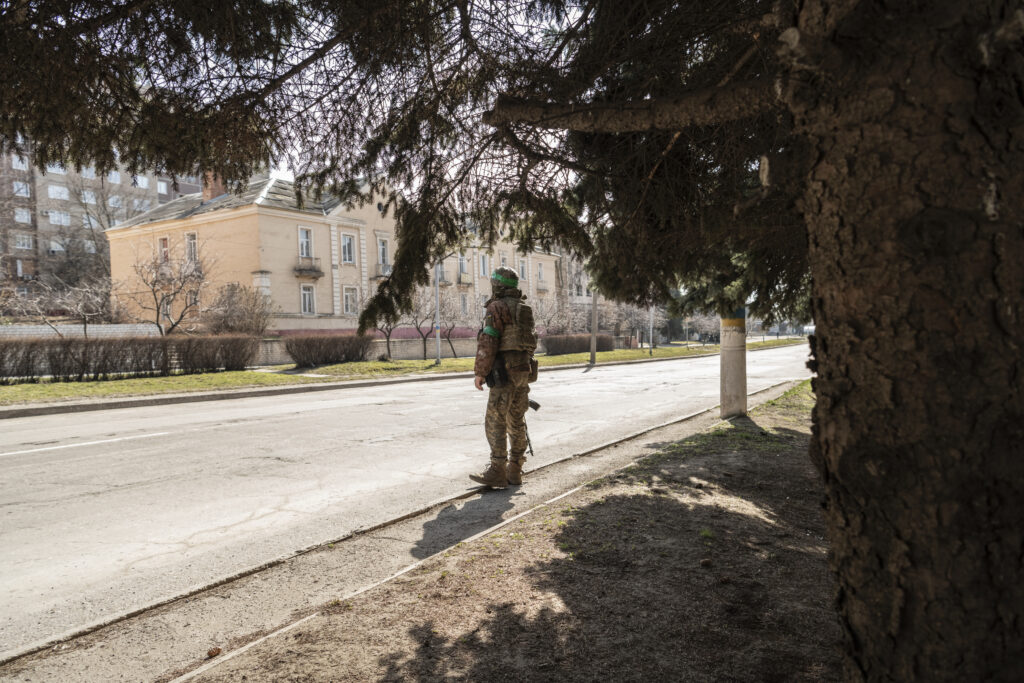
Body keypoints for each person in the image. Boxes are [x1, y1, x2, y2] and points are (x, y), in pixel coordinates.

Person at [469, 266, 538, 489]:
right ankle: (515, 469)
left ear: (497, 285)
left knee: (495, 420)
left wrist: (480, 372)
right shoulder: (523, 308)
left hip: (503, 373)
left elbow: (488, 341)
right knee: (516, 419)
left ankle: (497, 470)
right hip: (523, 371)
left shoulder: (496, 307)